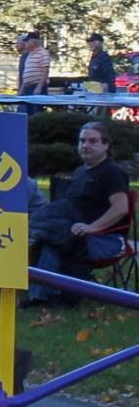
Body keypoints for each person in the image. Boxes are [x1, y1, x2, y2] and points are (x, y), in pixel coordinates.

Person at [27, 120, 131, 304]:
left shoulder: (112, 172)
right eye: (82, 141)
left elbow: (121, 208)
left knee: (53, 239)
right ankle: (38, 294)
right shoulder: (80, 172)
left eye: (92, 141)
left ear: (106, 145)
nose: (85, 145)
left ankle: (41, 296)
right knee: (47, 236)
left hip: (106, 240)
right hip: (73, 232)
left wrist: (92, 227)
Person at [20, 32, 51, 97]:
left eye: (27, 41)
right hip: (27, 87)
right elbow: (26, 73)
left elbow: (45, 71)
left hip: (36, 86)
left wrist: (39, 88)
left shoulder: (43, 53)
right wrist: (22, 89)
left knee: (36, 106)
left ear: (33, 42)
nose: (25, 43)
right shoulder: (29, 54)